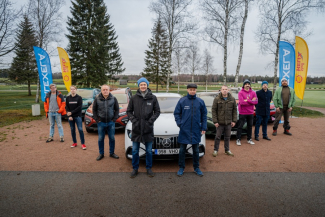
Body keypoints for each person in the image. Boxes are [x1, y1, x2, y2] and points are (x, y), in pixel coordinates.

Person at [127, 77, 160, 178]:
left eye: (144, 84)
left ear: (147, 85)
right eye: (141, 84)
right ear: (138, 86)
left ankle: (149, 168)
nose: (143, 86)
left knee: (149, 150)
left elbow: (157, 111)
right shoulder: (134, 98)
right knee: (135, 150)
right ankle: (135, 168)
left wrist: (150, 121)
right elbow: (129, 111)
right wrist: (134, 120)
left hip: (148, 128)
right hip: (136, 128)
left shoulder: (153, 98)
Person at [174, 83, 207, 177]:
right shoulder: (182, 101)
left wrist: (203, 127)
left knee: (196, 150)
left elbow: (204, 115)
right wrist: (180, 124)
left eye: (194, 89)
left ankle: (196, 168)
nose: (192, 91)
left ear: (196, 90)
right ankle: (181, 167)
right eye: (191, 89)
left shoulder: (200, 101)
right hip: (184, 130)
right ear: (187, 90)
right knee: (182, 150)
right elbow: (176, 113)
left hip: (196, 130)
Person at [92, 84, 119, 161]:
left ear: (109, 90)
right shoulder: (97, 99)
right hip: (101, 123)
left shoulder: (113, 98)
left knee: (112, 138)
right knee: (101, 139)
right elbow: (94, 110)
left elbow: (117, 109)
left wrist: (114, 119)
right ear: (101, 90)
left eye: (106, 89)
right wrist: (97, 120)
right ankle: (101, 153)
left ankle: (112, 153)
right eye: (103, 89)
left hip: (111, 122)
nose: (105, 91)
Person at [211, 85, 237, 157]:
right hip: (220, 123)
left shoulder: (232, 99)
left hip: (228, 122)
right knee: (218, 137)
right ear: (221, 90)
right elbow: (213, 110)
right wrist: (215, 121)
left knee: (227, 137)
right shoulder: (217, 99)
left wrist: (234, 121)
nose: (225, 90)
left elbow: (235, 110)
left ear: (228, 90)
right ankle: (215, 150)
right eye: (223, 89)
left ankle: (227, 150)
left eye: (226, 89)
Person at [236, 79, 258, 146]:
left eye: (248, 84)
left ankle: (249, 139)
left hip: (250, 112)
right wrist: (251, 101)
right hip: (242, 112)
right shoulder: (240, 93)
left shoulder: (253, 92)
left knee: (250, 126)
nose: (247, 85)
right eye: (246, 84)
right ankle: (238, 139)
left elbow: (256, 102)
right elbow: (242, 102)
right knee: (240, 126)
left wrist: (247, 100)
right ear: (244, 85)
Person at [65, 85, 86, 150]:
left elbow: (79, 107)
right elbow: (67, 107)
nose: (72, 90)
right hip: (71, 117)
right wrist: (70, 115)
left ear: (76, 90)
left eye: (74, 89)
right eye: (71, 89)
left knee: (80, 129)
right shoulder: (68, 98)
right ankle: (74, 142)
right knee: (72, 130)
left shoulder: (79, 98)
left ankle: (83, 144)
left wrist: (72, 112)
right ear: (70, 90)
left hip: (78, 116)